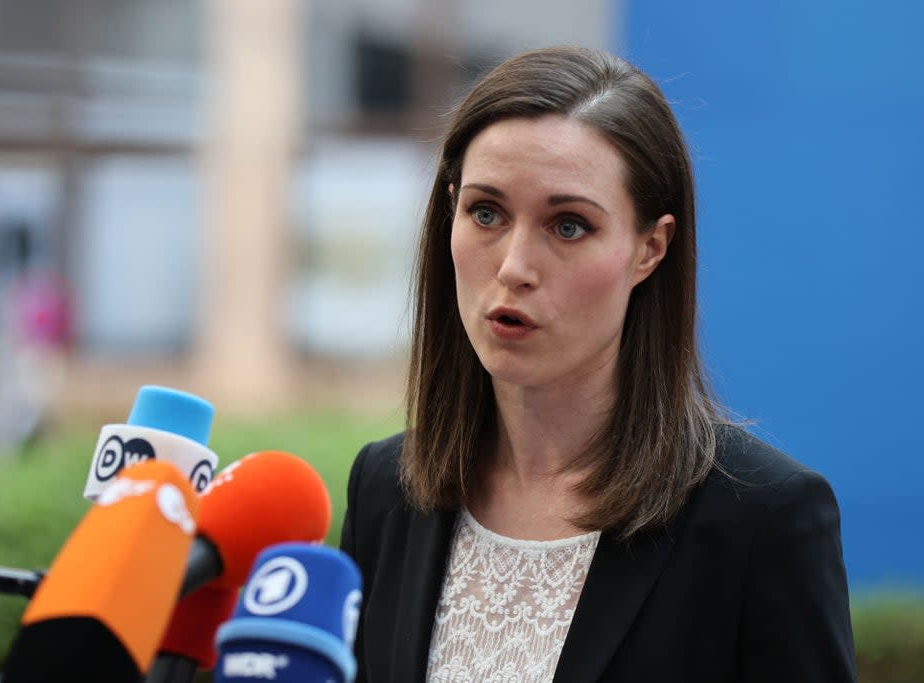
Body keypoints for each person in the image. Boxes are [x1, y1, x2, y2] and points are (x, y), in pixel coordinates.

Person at [339, 46, 856, 682]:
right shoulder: (386, 489)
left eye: (569, 226)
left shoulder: (762, 520)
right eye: (485, 213)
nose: (513, 267)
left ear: (650, 248)